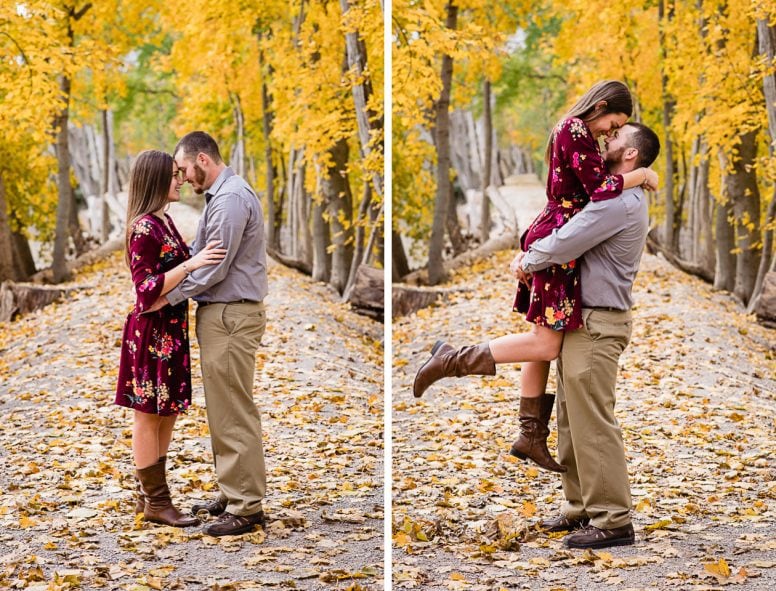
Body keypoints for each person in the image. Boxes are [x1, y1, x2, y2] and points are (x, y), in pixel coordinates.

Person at [413, 81, 658, 473]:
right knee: (545, 343)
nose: (612, 131)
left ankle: (530, 434)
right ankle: (452, 360)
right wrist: (642, 174)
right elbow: (599, 190)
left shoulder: (582, 134)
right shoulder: (575, 130)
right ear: (601, 105)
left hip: (558, 235)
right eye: (614, 122)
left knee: (547, 339)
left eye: (618, 129)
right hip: (558, 237)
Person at [513, 121, 661, 549]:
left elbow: (567, 241)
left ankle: (614, 520)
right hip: (584, 319)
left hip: (600, 322)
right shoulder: (619, 192)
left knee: (593, 422)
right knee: (571, 420)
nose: (606, 141)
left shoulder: (619, 203)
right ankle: (581, 509)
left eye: (615, 137)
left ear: (630, 154)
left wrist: (528, 259)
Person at [149, 131, 269, 537]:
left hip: (231, 317)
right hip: (223, 316)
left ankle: (246, 507)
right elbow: (202, 257)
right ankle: (232, 492)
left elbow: (215, 267)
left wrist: (168, 298)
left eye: (183, 169)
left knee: (234, 409)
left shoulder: (231, 199)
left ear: (202, 159)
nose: (183, 178)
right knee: (223, 408)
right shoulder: (222, 197)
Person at [116, 150, 226, 527]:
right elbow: (145, 290)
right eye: (174, 175)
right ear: (155, 180)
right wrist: (190, 265)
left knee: (167, 414)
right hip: (150, 334)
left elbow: (170, 280)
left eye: (181, 174)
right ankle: (157, 502)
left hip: (170, 329)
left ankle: (150, 496)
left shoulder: (164, 222)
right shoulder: (144, 227)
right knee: (148, 417)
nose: (180, 180)